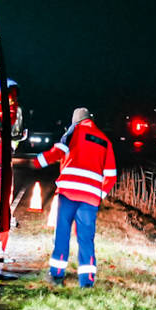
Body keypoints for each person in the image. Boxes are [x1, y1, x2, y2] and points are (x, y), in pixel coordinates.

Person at [30, 106, 117, 287]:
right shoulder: (105, 141)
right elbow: (111, 175)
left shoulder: (73, 132)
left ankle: (57, 276)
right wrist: (98, 195)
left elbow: (57, 152)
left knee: (62, 233)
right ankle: (87, 281)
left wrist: (38, 161)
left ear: (75, 121)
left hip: (69, 192)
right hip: (90, 198)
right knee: (86, 239)